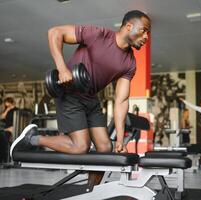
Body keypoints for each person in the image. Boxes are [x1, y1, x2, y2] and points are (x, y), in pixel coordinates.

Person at [11, 10, 151, 184]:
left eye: (148, 32)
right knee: (80, 146)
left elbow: (121, 101)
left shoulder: (130, 63)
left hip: (91, 99)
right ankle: (32, 138)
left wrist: (121, 140)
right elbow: (55, 32)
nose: (146, 36)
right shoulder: (99, 35)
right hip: (70, 94)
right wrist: (62, 69)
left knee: (105, 147)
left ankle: (90, 192)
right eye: (143, 30)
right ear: (128, 26)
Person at [0, 97, 18, 163]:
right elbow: (2, 117)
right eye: (5, 104)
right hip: (7, 130)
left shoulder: (17, 110)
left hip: (13, 130)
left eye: (7, 103)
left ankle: (6, 159)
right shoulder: (7, 110)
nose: (6, 105)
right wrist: (7, 109)